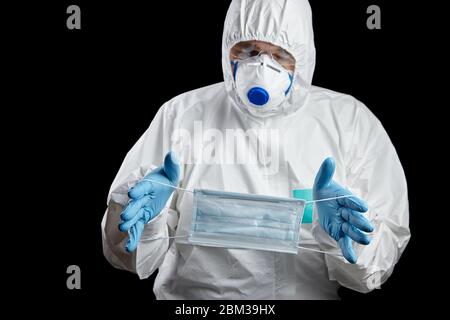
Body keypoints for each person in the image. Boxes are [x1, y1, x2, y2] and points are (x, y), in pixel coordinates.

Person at [101, 0, 410, 299]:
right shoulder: (182, 115)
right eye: (248, 50)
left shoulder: (349, 121)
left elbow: (373, 273)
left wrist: (346, 239)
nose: (262, 66)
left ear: (302, 56)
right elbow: (130, 260)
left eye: (280, 54)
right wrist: (143, 220)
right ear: (227, 49)